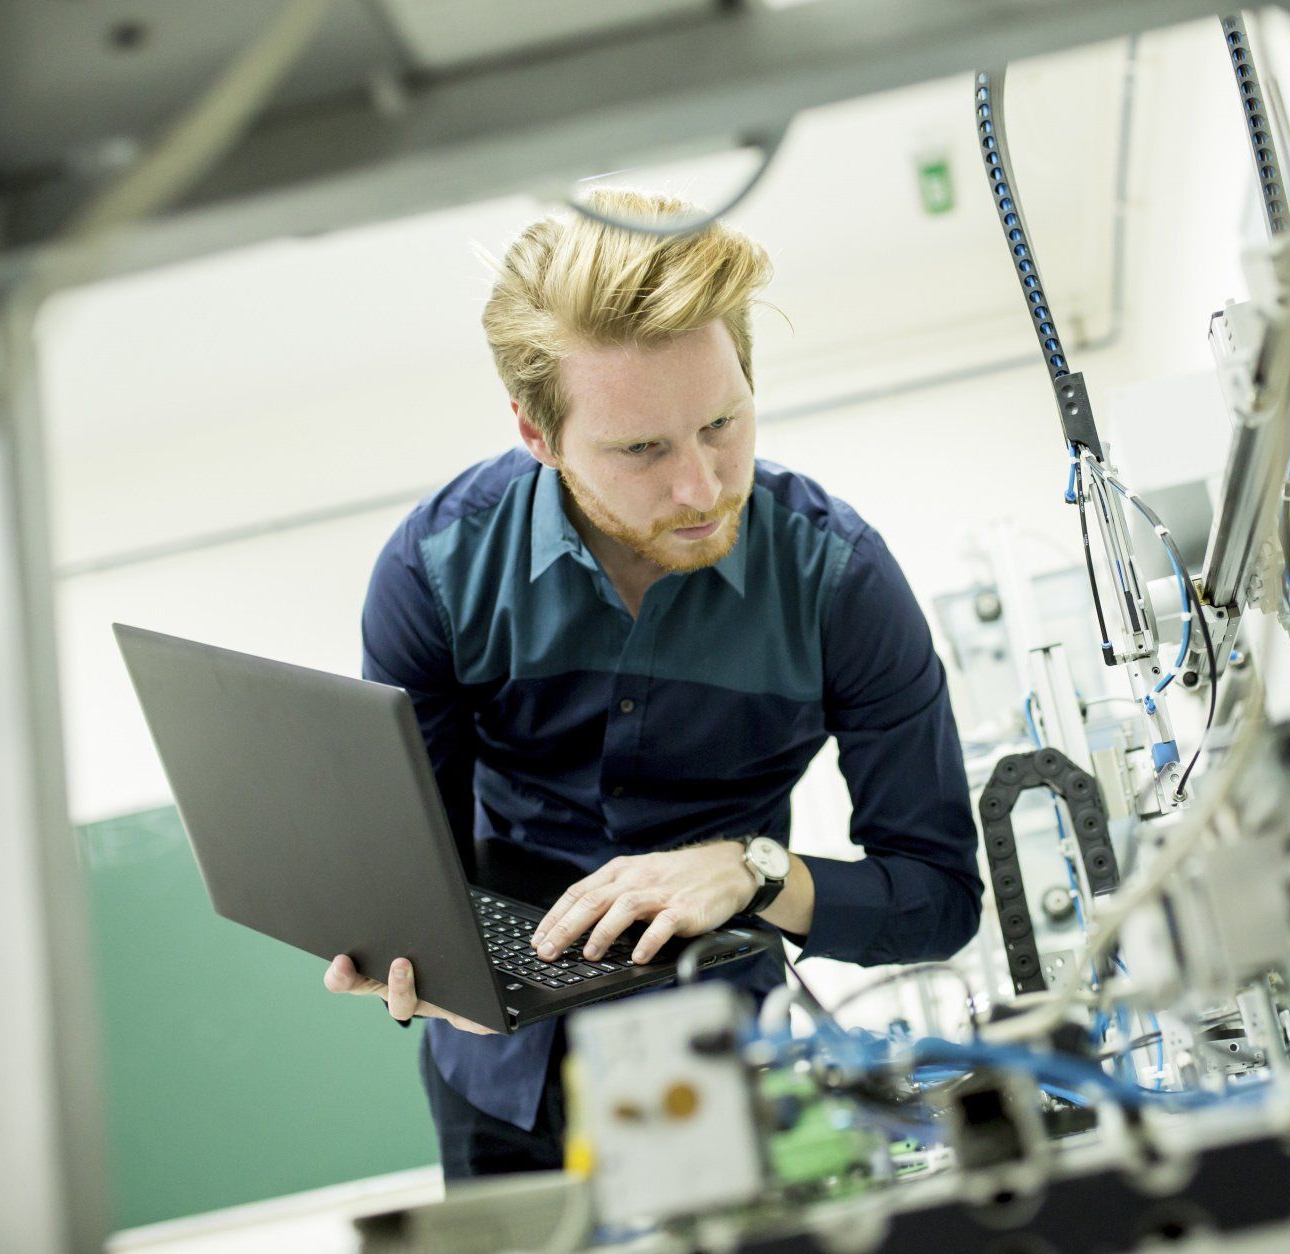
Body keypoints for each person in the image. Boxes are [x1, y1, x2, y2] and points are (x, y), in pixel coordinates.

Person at [322, 189, 983, 1181]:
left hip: (727, 1074)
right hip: (494, 1079)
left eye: (723, 421)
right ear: (536, 433)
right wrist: (400, 940)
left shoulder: (840, 583)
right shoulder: (437, 571)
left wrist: (756, 869)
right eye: (640, 449)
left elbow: (939, 897)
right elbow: (418, 857)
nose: (703, 486)